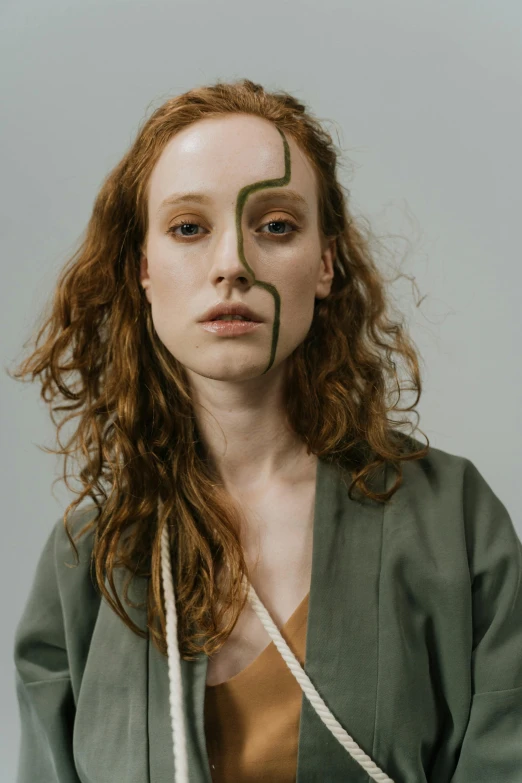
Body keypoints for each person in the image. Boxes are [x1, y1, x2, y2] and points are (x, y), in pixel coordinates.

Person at [10, 78, 522, 783]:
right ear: (144, 270)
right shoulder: (88, 558)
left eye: (275, 225)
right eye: (189, 228)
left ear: (325, 263)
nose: (231, 266)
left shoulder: (453, 522)